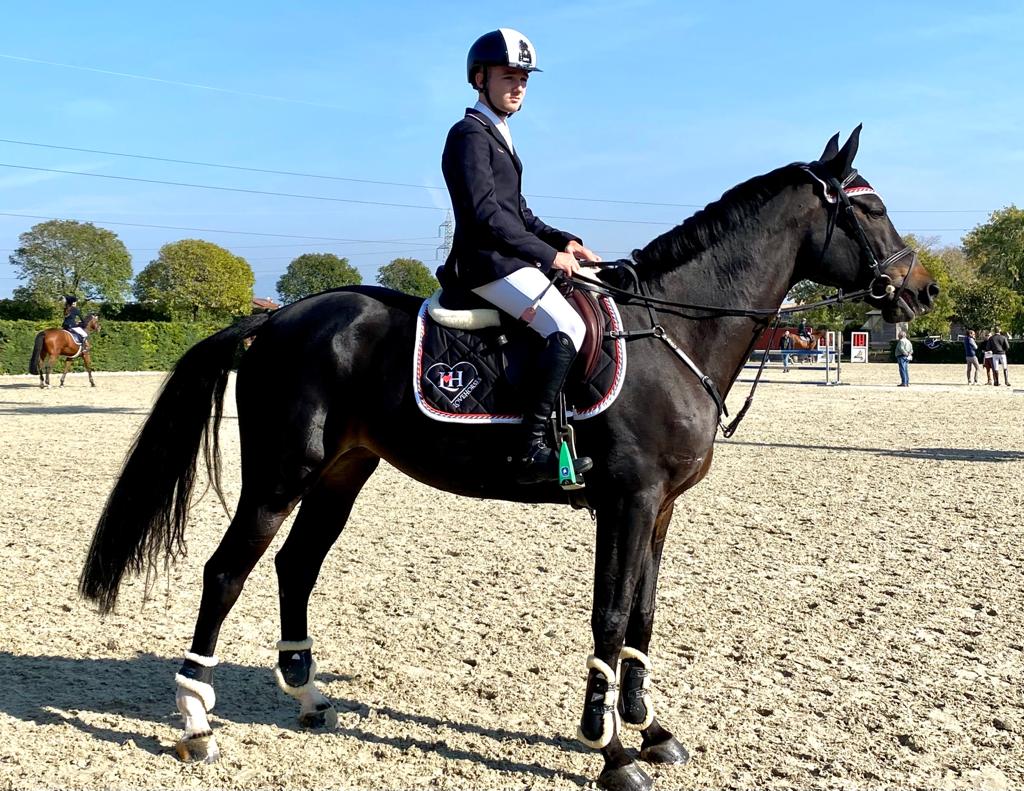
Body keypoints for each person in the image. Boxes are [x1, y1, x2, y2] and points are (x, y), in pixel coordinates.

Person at [441, 29, 601, 484]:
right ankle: (530, 447)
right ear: (479, 78)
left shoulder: (499, 134)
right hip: (484, 265)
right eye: (509, 76)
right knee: (568, 325)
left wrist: (564, 240)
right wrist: (548, 256)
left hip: (510, 260)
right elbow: (487, 215)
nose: (518, 87)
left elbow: (520, 211)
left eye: (524, 79)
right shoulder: (469, 134)